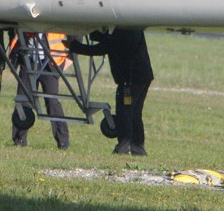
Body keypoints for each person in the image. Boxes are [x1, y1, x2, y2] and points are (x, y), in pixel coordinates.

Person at [66, 28, 153, 156]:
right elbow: (109, 40)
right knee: (134, 113)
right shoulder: (131, 26)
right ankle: (138, 147)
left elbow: (103, 47)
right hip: (141, 77)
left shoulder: (122, 31)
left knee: (125, 111)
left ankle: (123, 145)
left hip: (129, 80)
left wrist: (74, 46)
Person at [11, 32, 71, 150]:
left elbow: (75, 33)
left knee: (52, 103)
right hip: (28, 60)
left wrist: (70, 57)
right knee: (23, 100)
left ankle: (63, 141)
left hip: (51, 63)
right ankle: (19, 139)